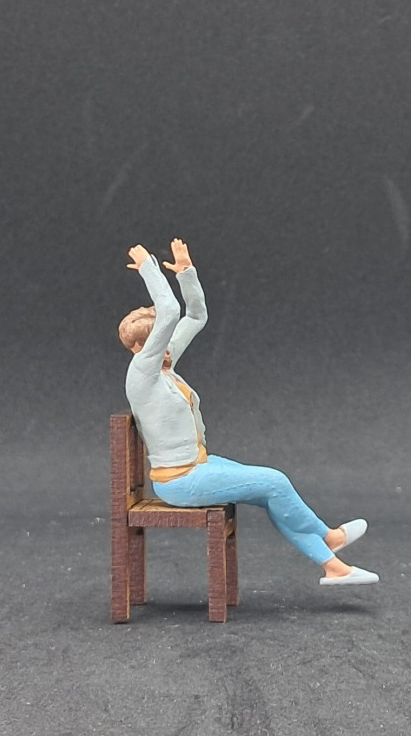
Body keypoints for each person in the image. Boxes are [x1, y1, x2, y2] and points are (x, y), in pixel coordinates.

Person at [119, 238, 379, 586]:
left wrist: (186, 273)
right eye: (159, 342)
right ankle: (328, 540)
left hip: (198, 467)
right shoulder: (143, 374)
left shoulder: (164, 365)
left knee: (271, 492)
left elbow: (195, 316)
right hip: (179, 482)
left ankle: (333, 564)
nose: (168, 346)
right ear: (141, 347)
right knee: (275, 481)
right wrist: (148, 269)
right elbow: (169, 311)